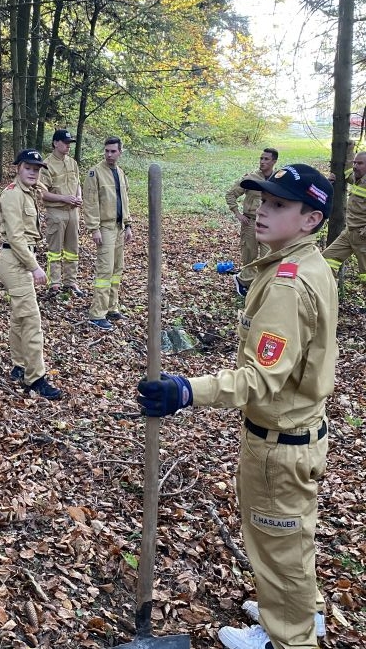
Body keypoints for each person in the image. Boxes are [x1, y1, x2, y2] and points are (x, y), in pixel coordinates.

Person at [137, 164, 337, 649]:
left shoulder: (289, 284)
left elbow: (262, 380)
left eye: (279, 205)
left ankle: (287, 636)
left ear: (311, 219)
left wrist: (187, 390)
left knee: (279, 545)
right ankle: (293, 609)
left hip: (280, 446)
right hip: (295, 434)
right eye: (263, 201)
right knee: (288, 546)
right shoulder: (304, 265)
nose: (262, 211)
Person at [0, 149, 62, 400]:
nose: (33, 172)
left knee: (19, 317)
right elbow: (15, 237)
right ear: (18, 168)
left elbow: (41, 189)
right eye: (28, 168)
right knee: (32, 321)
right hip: (16, 261)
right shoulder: (12, 195)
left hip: (20, 258)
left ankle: (19, 365)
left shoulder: (29, 192)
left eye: (37, 169)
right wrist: (34, 266)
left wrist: (37, 184)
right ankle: (36, 378)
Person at [82, 136, 133, 331]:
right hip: (105, 228)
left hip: (119, 227)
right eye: (107, 151)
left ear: (120, 152)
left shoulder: (120, 172)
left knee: (117, 269)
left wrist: (128, 225)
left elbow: (125, 200)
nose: (109, 154)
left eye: (113, 151)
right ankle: (97, 313)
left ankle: (112, 306)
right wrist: (94, 228)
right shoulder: (95, 173)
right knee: (104, 271)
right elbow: (91, 203)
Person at [226, 148, 279, 297]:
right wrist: (237, 214)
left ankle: (260, 283)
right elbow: (230, 194)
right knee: (249, 255)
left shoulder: (279, 179)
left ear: (274, 161)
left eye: (266, 159)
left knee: (268, 256)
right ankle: (245, 283)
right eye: (261, 158)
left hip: (270, 224)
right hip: (250, 222)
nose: (262, 162)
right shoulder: (251, 178)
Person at [39, 129, 84, 297]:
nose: (68, 146)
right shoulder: (46, 165)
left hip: (73, 212)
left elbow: (78, 183)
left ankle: (70, 282)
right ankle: (54, 284)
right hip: (56, 212)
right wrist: (65, 198)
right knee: (55, 251)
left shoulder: (72, 163)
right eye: (65, 143)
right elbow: (43, 193)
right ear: (55, 143)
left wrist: (79, 197)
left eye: (69, 143)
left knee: (73, 250)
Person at [323, 150, 366, 294]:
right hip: (348, 234)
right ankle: (328, 295)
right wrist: (349, 148)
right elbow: (348, 172)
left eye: (359, 163)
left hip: (363, 236)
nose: (355, 166)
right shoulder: (358, 179)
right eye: (355, 162)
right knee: (325, 261)